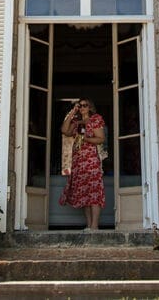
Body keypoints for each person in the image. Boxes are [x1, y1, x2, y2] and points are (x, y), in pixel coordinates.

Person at [59, 98, 106, 229]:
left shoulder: (95, 119)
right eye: (80, 106)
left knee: (94, 193)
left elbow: (101, 138)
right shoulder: (76, 122)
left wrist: (85, 139)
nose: (82, 108)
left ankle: (95, 226)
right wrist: (72, 112)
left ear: (90, 107)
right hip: (79, 162)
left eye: (85, 105)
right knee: (84, 193)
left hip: (91, 161)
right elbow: (64, 130)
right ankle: (89, 225)